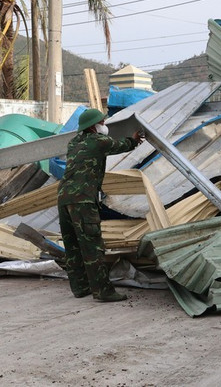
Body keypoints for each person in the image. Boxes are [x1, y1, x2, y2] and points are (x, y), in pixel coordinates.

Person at [57, 108, 144, 302]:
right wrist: (134, 139)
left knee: (72, 245)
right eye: (102, 123)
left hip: (64, 198)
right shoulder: (99, 141)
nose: (105, 126)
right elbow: (120, 145)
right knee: (92, 246)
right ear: (93, 127)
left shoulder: (73, 143)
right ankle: (103, 291)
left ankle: (80, 287)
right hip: (83, 200)